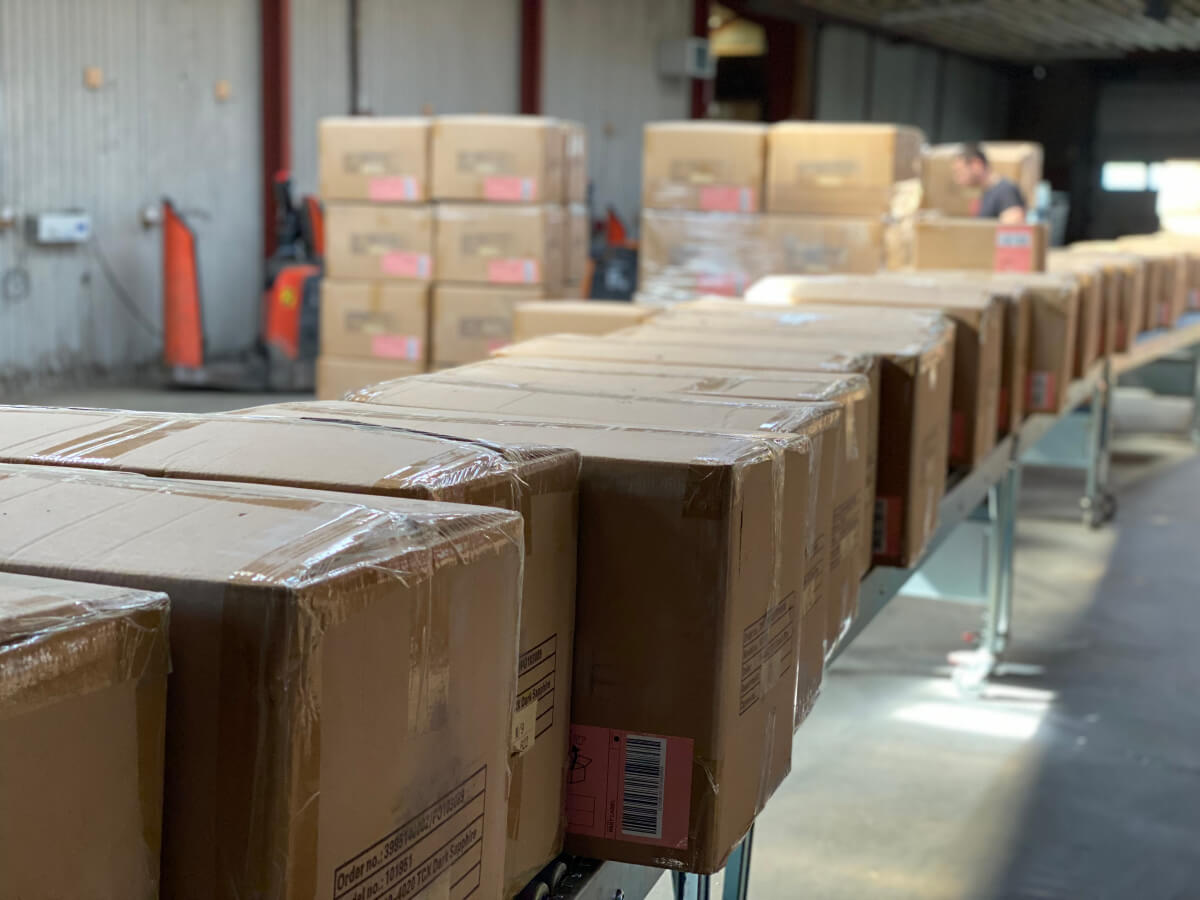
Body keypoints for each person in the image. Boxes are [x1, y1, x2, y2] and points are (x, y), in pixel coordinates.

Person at [952, 143, 1027, 224]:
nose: (958, 179)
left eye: (960, 171)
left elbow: (1013, 229)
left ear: (977, 164)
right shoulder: (987, 192)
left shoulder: (1006, 191)